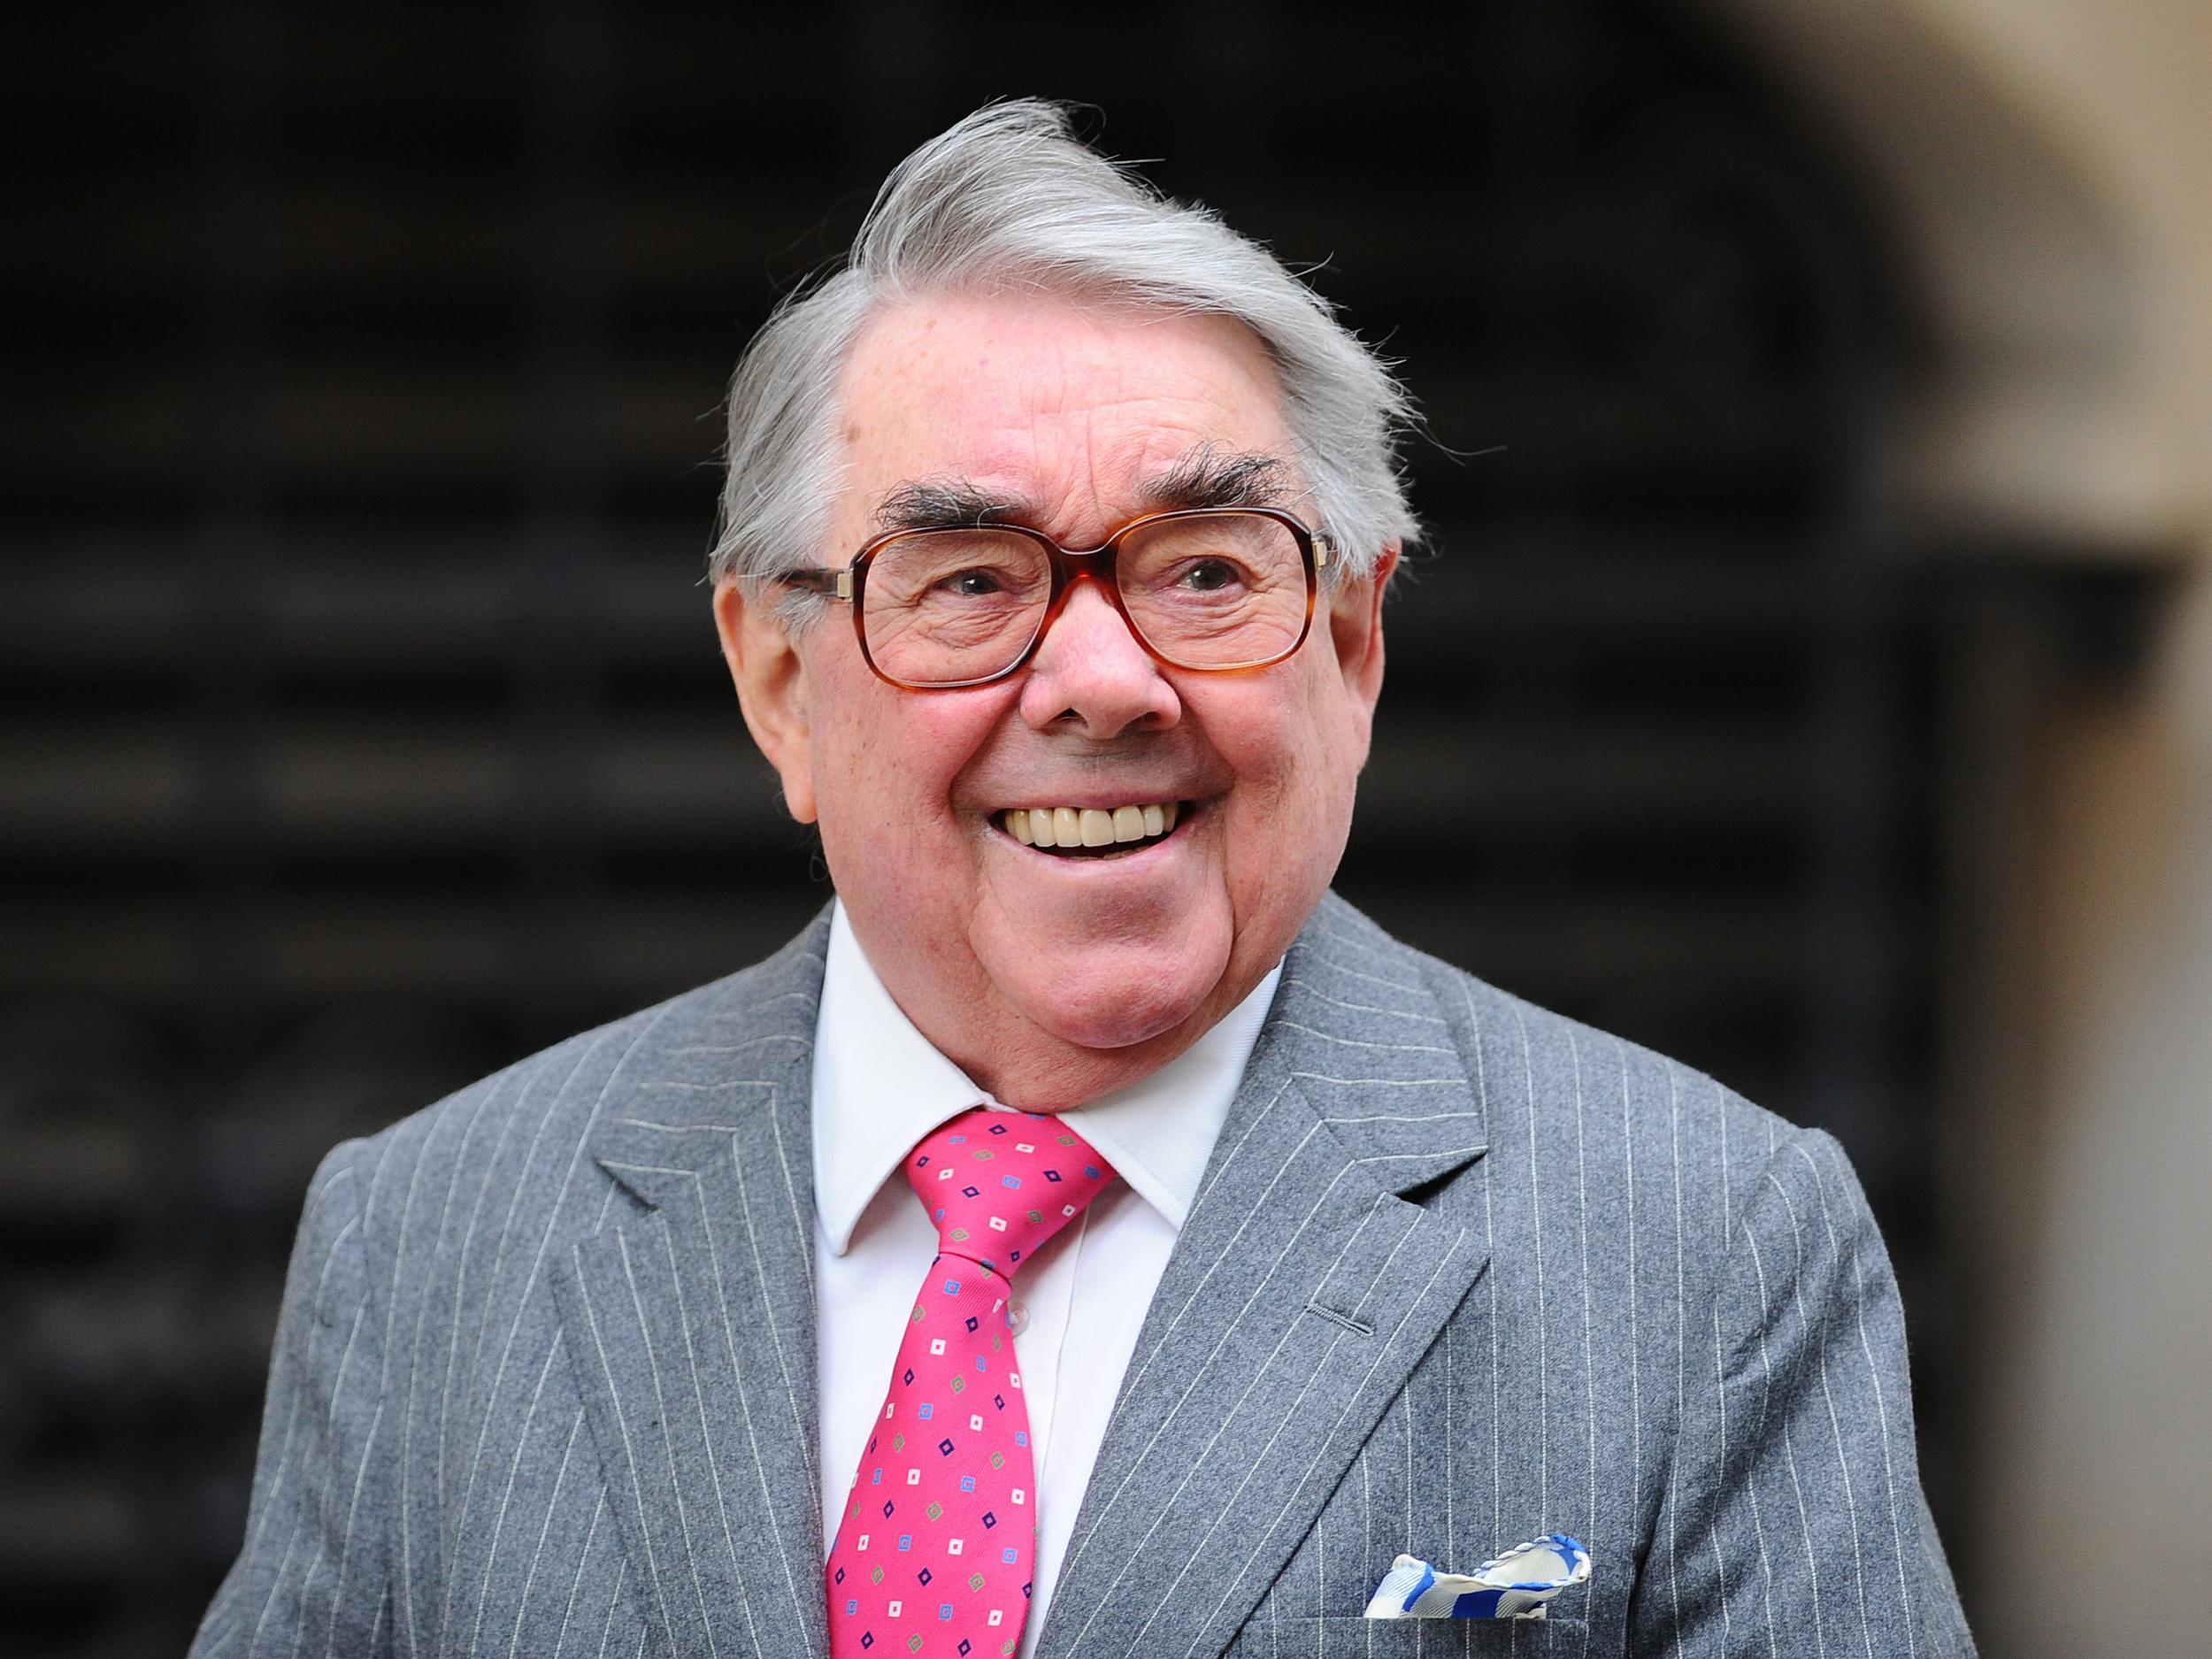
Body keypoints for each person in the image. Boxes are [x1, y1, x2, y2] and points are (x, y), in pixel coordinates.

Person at [192, 101, 1973, 1659]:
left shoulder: (1703, 1242)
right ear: (779, 682)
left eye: (1204, 570)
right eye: (966, 577)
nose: (1104, 679)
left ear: (1352, 642)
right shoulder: (431, 1242)